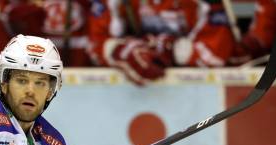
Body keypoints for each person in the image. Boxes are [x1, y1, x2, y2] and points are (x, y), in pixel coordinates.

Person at [87, 0, 237, 85]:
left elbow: (218, 51)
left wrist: (173, 51)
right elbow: (95, 43)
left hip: (192, 95)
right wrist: (121, 51)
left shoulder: (202, 4)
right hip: (127, 97)